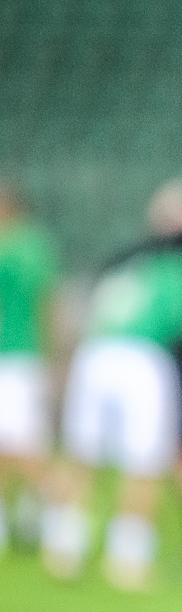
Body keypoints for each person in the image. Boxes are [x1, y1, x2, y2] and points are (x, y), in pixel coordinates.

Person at [41, 180, 182, 590]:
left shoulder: (126, 263)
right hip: (143, 358)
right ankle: (129, 558)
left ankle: (64, 546)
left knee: (82, 452)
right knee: (144, 459)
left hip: (94, 354)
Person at [0, 182, 59, 551]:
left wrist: (49, 358)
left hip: (19, 358)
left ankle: (58, 517)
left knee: (24, 446)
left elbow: (44, 304)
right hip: (16, 358)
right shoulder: (29, 246)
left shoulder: (26, 245)